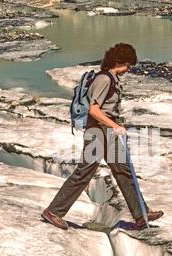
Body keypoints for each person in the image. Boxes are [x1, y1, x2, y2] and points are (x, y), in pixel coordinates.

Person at [42, 43, 164, 230]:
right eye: (127, 65)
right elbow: (94, 110)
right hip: (97, 132)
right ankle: (54, 211)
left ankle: (141, 214)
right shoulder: (104, 80)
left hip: (106, 132)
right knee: (85, 172)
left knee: (123, 171)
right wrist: (115, 125)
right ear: (118, 62)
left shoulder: (111, 79)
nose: (129, 69)